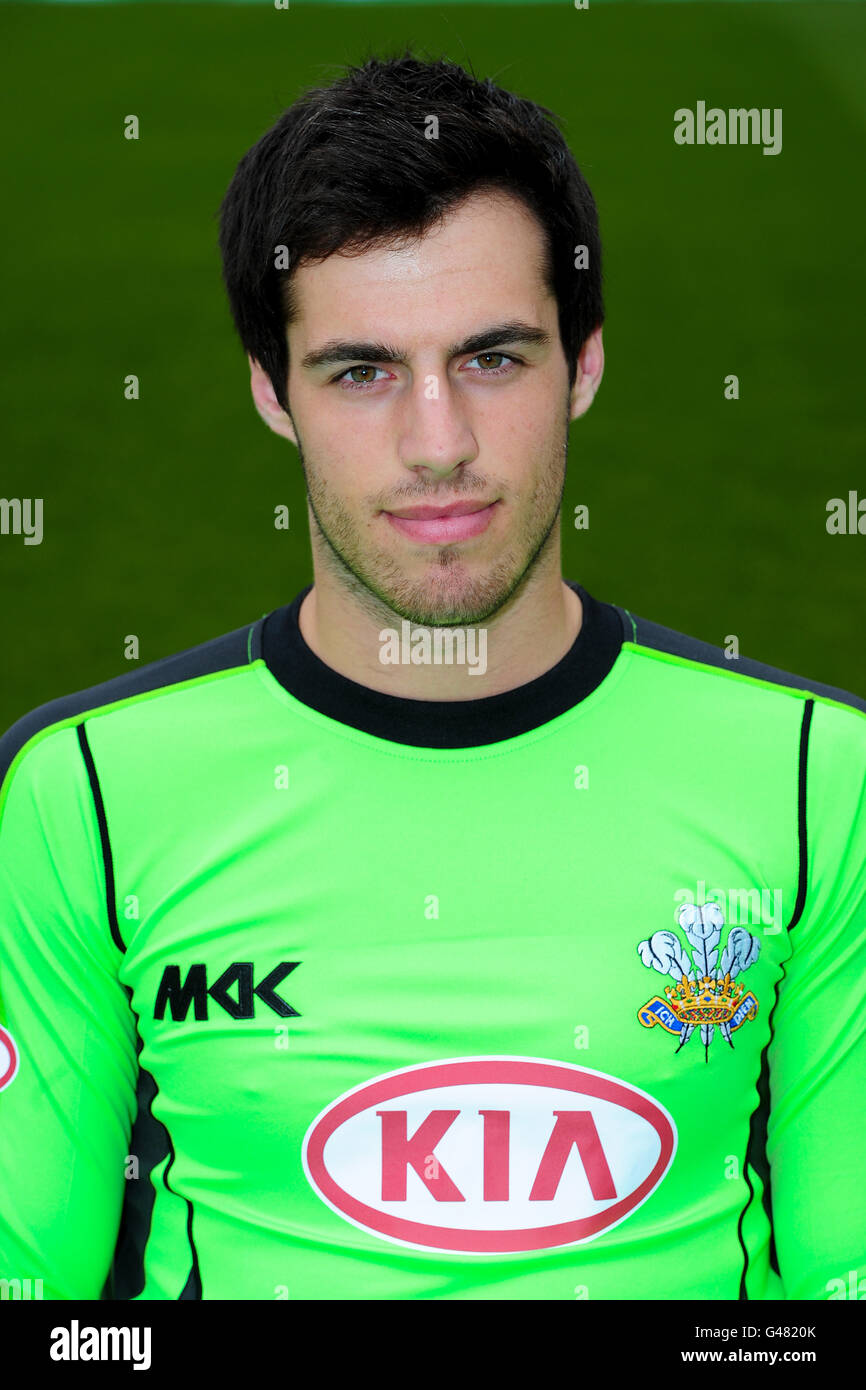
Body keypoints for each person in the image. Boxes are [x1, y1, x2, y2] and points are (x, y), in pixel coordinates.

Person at [0, 51, 863, 1303]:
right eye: (361, 373)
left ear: (583, 366)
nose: (437, 444)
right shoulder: (81, 795)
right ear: (270, 394)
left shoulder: (816, 775)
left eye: (493, 359)